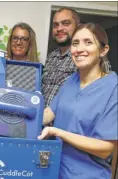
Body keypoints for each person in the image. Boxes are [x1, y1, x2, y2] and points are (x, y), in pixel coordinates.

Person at [39, 23, 117, 179]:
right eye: (75, 43)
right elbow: (49, 114)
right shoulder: (71, 81)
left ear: (103, 50)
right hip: (56, 169)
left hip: (86, 174)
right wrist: (15, 113)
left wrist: (57, 132)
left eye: (88, 42)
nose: (79, 49)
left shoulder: (113, 88)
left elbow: (106, 148)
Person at [42, 7, 111, 107]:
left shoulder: (88, 57)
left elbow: (100, 100)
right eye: (55, 25)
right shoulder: (51, 56)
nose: (59, 29)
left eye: (66, 23)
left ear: (78, 27)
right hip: (42, 118)